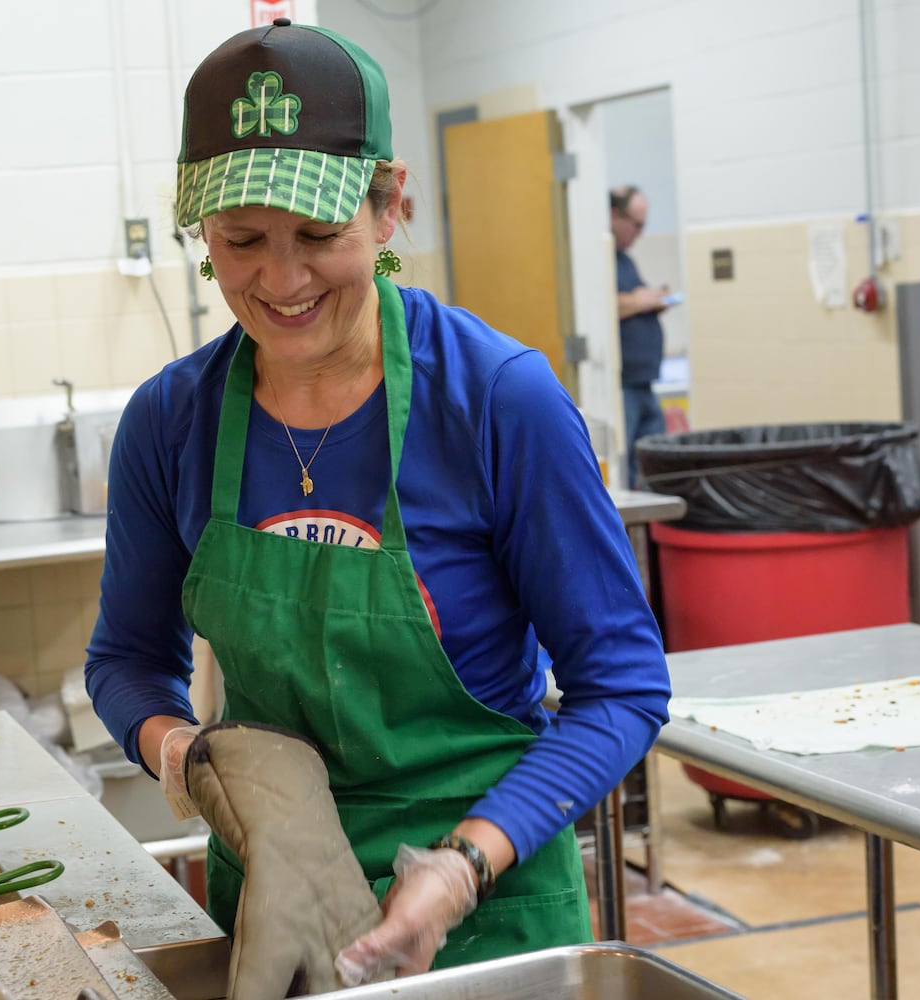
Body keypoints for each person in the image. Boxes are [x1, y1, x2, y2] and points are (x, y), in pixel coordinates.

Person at [83, 18, 672, 995]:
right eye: (239, 241)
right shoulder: (169, 421)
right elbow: (125, 660)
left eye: (318, 235)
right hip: (273, 917)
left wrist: (460, 866)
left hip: (491, 919)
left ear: (388, 203)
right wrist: (189, 755)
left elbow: (621, 685)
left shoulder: (495, 401)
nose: (280, 279)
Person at [611, 184, 674, 487]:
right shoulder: (598, 258)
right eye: (635, 225)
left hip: (644, 381)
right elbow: (604, 304)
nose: (639, 233)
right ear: (614, 215)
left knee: (654, 463)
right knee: (625, 470)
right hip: (622, 386)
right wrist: (638, 301)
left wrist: (654, 301)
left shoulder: (624, 259)